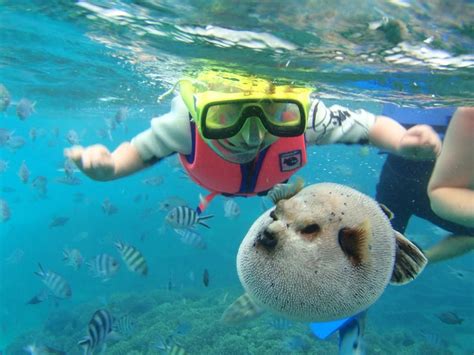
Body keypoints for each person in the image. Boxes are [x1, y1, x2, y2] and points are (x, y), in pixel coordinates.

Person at [65, 70, 441, 206]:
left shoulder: (302, 116)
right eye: (226, 116)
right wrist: (110, 167)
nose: (252, 134)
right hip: (226, 183)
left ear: (288, 108)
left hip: (252, 185)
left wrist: (401, 142)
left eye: (273, 114)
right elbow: (138, 151)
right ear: (198, 113)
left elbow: (367, 125)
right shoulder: (183, 124)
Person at [376, 105, 474, 263]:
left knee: (381, 250)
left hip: (398, 167)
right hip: (432, 171)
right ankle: (418, 262)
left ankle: (416, 262)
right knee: (382, 250)